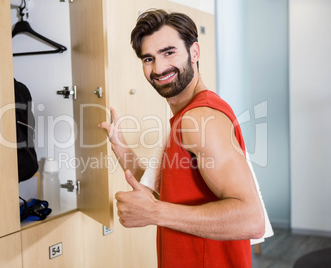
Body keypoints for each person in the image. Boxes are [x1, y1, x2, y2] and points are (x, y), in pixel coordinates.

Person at [99, 9, 265, 267]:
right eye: (148, 58)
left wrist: (153, 212)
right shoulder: (185, 117)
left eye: (169, 52)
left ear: (194, 52)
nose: (159, 67)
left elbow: (251, 219)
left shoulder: (198, 120)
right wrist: (122, 150)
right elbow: (173, 196)